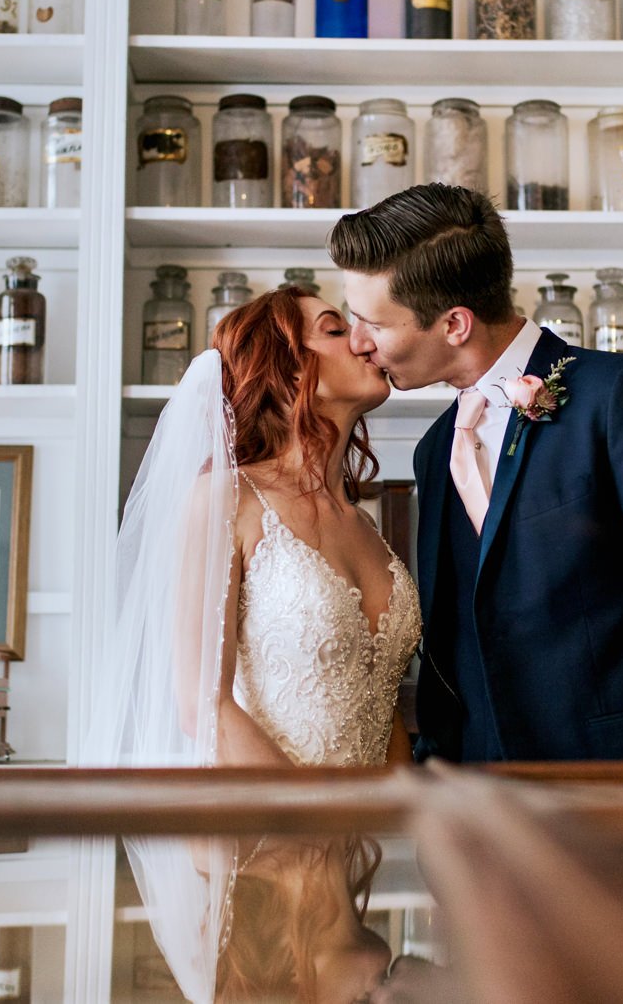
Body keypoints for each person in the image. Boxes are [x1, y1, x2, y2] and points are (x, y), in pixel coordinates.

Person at [330, 183, 623, 762]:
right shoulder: (434, 451)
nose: (358, 343)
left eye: (372, 324)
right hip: (481, 816)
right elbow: (453, 647)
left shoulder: (621, 397)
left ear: (455, 324)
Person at [81, 286, 420, 1004]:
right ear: (287, 368)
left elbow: (379, 694)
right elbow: (200, 700)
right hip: (260, 843)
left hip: (360, 856)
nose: (366, 340)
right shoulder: (226, 500)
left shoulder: (368, 528)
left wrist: (400, 820)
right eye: (336, 329)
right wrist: (309, 830)